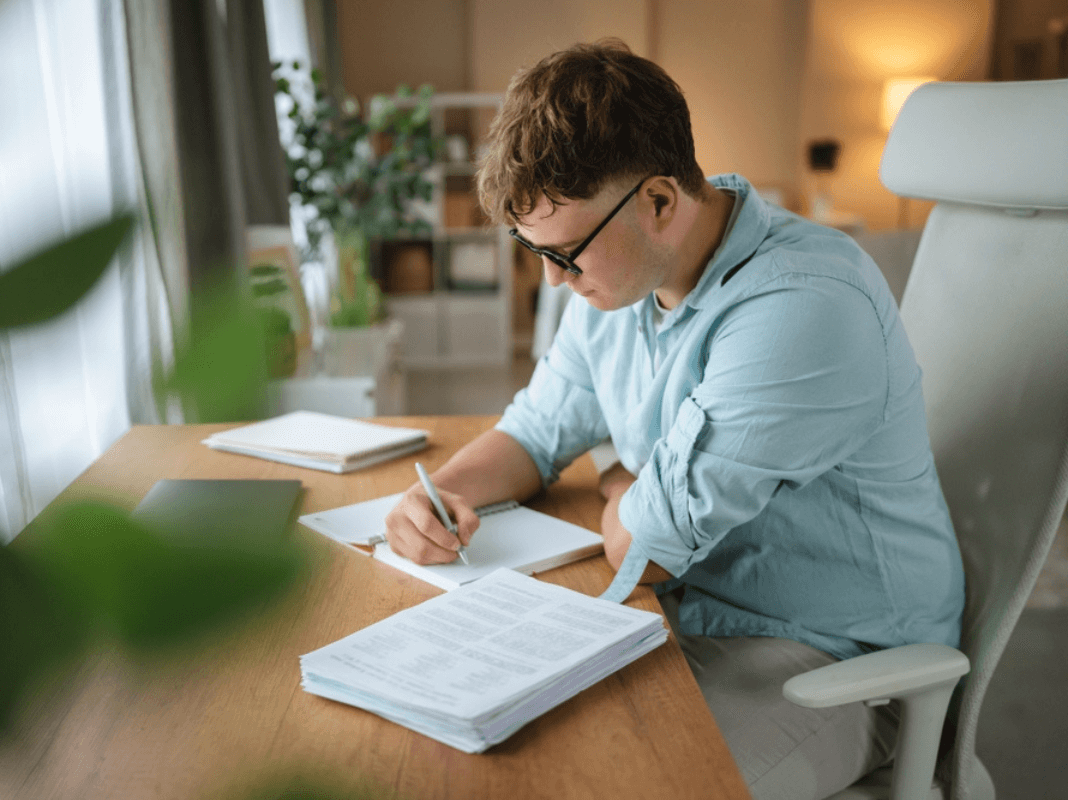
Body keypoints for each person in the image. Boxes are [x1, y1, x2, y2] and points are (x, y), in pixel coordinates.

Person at [383, 40, 964, 800]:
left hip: (838, 664)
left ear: (660, 201)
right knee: (484, 749)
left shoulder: (804, 307)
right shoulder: (617, 280)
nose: (553, 279)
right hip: (687, 619)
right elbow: (535, 432)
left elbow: (644, 550)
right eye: (533, 250)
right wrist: (438, 494)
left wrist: (618, 473)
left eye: (567, 252)